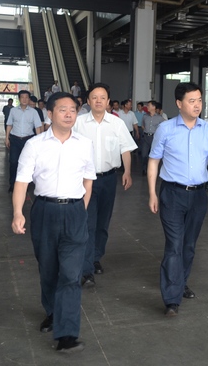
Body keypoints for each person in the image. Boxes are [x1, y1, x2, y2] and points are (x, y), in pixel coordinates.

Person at [11, 91, 96, 354]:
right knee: (48, 269)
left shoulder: (84, 144)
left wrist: (81, 209)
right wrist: (18, 213)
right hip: (45, 211)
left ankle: (67, 334)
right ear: (49, 113)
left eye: (73, 110)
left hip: (74, 212)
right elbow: (21, 181)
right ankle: (52, 312)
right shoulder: (35, 145)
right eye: (62, 109)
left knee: (71, 275)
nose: (69, 114)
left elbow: (88, 180)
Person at [147, 82, 208, 317]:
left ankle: (180, 282)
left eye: (199, 100)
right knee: (174, 245)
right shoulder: (166, 129)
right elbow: (153, 161)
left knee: (189, 245)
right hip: (172, 194)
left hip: (199, 195)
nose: (197, 105)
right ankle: (171, 299)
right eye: (192, 101)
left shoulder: (207, 129)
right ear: (179, 103)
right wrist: (152, 193)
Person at [73, 83, 137, 287]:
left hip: (109, 179)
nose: (98, 101)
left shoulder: (117, 123)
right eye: (94, 97)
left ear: (108, 101)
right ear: (88, 101)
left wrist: (127, 172)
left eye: (102, 97)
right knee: (88, 222)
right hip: (85, 180)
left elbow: (125, 149)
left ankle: (95, 257)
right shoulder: (79, 123)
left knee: (103, 222)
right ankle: (86, 270)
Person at [5, 90, 43, 193]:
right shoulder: (13, 111)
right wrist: (6, 138)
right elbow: (9, 124)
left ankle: (26, 185)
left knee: (28, 163)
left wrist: (39, 141)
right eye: (22, 97)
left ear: (29, 99)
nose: (24, 99)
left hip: (28, 140)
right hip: (15, 139)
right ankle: (12, 184)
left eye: (27, 97)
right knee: (13, 162)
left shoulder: (34, 112)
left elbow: (38, 127)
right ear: (19, 99)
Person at [141, 100, 164, 175]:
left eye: (148, 105)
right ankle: (144, 168)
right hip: (145, 137)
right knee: (144, 155)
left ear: (153, 107)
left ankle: (152, 169)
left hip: (154, 138)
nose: (147, 107)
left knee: (154, 155)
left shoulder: (160, 118)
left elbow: (163, 127)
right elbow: (142, 125)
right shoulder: (145, 116)